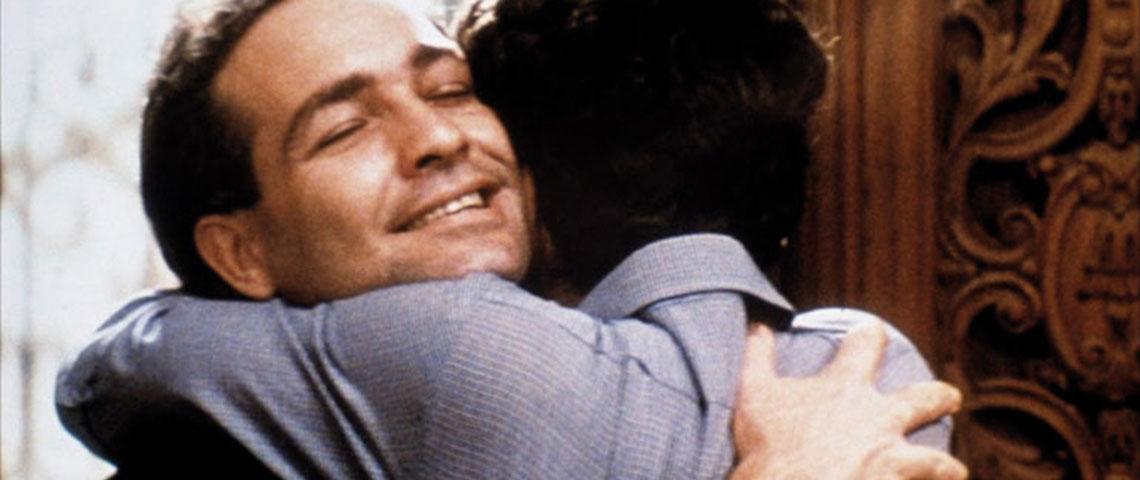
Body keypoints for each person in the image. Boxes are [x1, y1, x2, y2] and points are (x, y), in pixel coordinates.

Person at [55, 0, 965, 478]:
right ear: (239, 251)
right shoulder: (867, 370)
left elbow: (127, 365)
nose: (438, 137)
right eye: (344, 130)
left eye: (450, 89)